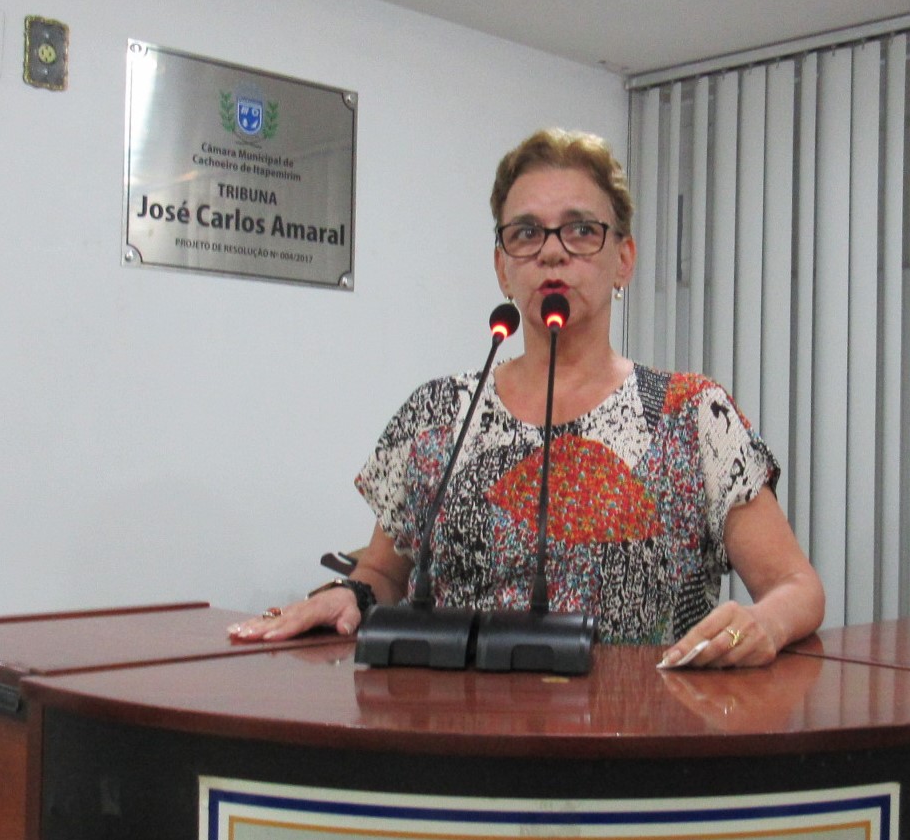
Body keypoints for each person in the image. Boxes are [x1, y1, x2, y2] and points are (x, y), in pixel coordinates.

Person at [229, 128, 824, 668]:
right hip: (452, 727)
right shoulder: (441, 411)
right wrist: (349, 594)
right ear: (502, 268)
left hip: (640, 730)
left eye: (581, 230)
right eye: (526, 233)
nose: (551, 252)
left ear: (624, 259)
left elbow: (797, 587)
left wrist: (762, 625)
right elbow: (384, 571)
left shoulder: (691, 416)